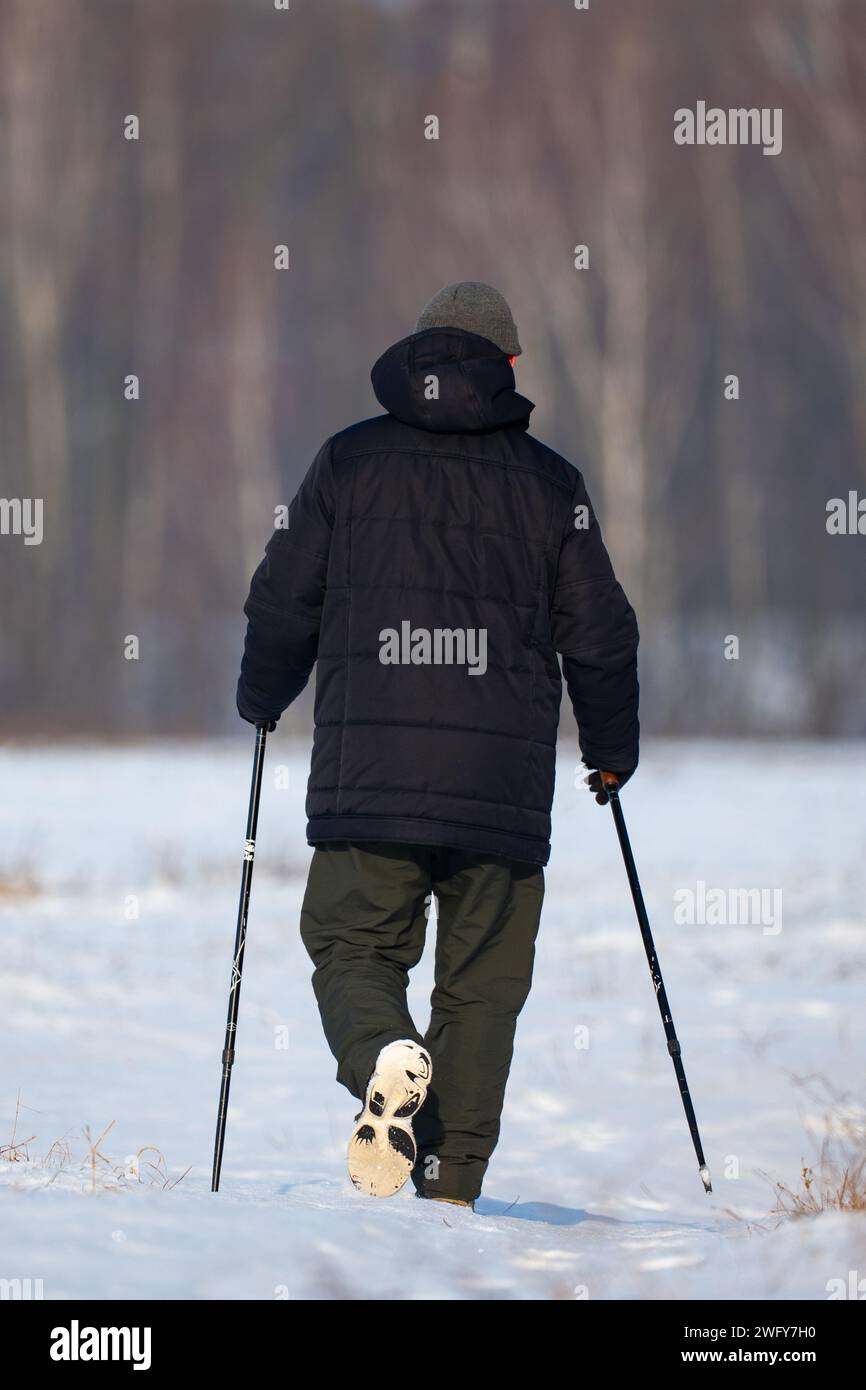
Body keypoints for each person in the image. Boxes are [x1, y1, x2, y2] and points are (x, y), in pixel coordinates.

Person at [237, 282, 639, 1210]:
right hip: (500, 793)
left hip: (366, 782)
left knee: (348, 942)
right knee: (482, 989)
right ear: (506, 369)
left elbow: (280, 599)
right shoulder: (553, 484)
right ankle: (451, 1184)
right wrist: (610, 750)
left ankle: (382, 1053)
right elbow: (604, 635)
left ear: (417, 357)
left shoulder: (347, 464)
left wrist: (263, 697)